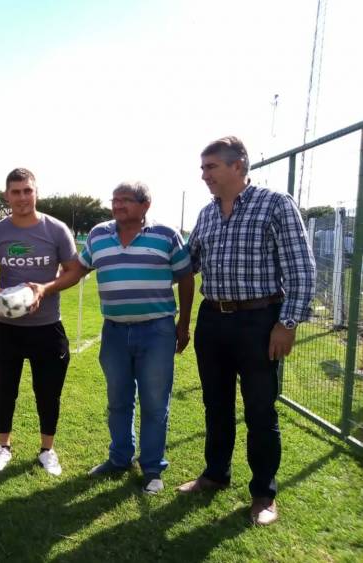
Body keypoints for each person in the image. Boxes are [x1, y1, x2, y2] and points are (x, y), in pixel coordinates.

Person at [179, 136, 315, 525]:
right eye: (203, 168)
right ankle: (216, 474)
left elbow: (302, 269)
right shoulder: (206, 214)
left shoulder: (275, 204)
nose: (204, 175)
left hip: (260, 321)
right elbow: (189, 262)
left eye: (211, 168)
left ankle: (263, 495)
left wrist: (286, 324)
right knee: (215, 404)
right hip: (213, 320)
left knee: (259, 408)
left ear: (238, 166)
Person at [78, 181, 194, 494]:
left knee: (155, 403)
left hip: (156, 330)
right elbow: (78, 269)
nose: (117, 206)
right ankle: (119, 458)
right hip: (113, 330)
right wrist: (44, 288)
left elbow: (185, 277)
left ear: (145, 205)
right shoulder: (98, 235)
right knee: (118, 400)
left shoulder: (166, 235)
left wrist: (183, 324)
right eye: (114, 200)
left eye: (125, 200)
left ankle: (153, 469)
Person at [0, 168, 81, 476]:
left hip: (47, 327)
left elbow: (74, 271)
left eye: (28, 191)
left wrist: (45, 289)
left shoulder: (56, 229)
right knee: (3, 388)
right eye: (16, 191)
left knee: (48, 392)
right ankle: (3, 446)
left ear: (36, 193)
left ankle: (47, 450)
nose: (22, 197)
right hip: (6, 328)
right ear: (7, 196)